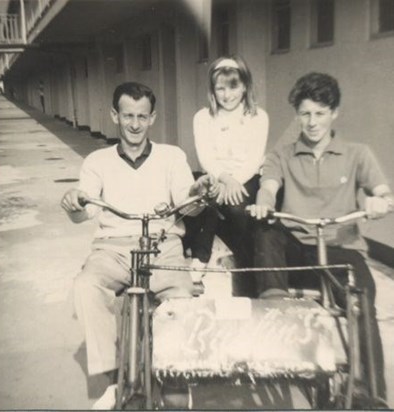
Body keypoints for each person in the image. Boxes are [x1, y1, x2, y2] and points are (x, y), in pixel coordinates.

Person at [61, 82, 214, 409]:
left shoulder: (172, 156)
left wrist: (197, 194)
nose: (134, 124)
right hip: (112, 247)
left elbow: (187, 205)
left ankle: (175, 375)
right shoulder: (97, 161)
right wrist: (74, 201)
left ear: (152, 117)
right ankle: (114, 380)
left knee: (182, 301)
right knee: (86, 286)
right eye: (127, 115)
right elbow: (85, 208)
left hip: (163, 245)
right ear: (115, 115)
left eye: (142, 116)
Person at [247, 72, 393, 404]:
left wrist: (377, 202)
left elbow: (384, 193)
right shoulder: (282, 155)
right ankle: (275, 311)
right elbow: (268, 187)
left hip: (341, 247)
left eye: (320, 113)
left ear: (334, 113)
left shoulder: (358, 154)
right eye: (305, 114)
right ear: (297, 114)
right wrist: (263, 204)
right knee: (267, 229)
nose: (312, 122)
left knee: (361, 302)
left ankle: (372, 394)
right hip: (296, 246)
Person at [183, 55, 269, 296]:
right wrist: (222, 178)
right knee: (205, 200)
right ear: (212, 90)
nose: (227, 94)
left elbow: (253, 159)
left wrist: (233, 181)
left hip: (246, 177)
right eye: (220, 88)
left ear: (245, 86)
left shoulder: (258, 116)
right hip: (215, 175)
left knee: (236, 209)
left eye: (233, 86)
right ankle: (200, 259)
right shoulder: (202, 117)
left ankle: (245, 265)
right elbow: (206, 157)